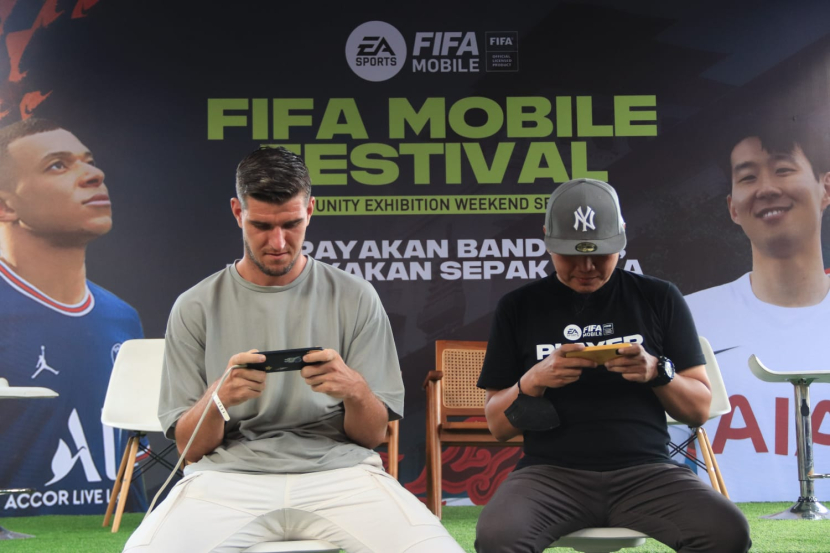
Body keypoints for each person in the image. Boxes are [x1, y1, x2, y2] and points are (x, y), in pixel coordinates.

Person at [124, 147, 463, 553]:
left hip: (340, 474)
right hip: (227, 479)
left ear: (310, 210)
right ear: (237, 212)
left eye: (292, 224)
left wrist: (354, 390)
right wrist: (219, 399)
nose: (278, 242)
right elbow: (190, 448)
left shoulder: (355, 297)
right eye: (261, 225)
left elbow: (372, 435)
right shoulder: (195, 306)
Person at [474, 178, 751, 553]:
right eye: (571, 255)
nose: (586, 267)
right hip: (550, 475)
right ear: (547, 240)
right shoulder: (518, 307)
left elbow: (699, 409)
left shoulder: (659, 297)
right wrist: (534, 379)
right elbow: (497, 426)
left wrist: (657, 371)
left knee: (727, 531)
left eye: (600, 254)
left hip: (647, 473)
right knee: (497, 537)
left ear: (621, 239)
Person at [0, 118, 146, 516]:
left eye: (89, 161)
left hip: (107, 533)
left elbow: (134, 451)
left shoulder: (121, 317)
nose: (94, 175)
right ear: (5, 205)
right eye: (58, 165)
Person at [684, 114, 830, 501]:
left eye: (783, 169)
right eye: (748, 177)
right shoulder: (688, 317)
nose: (766, 189)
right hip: (727, 529)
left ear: (826, 188)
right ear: (733, 208)